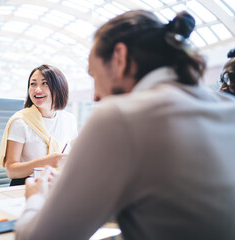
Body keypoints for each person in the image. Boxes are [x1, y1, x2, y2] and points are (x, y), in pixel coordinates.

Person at [15, 10, 235, 240]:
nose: (96, 97)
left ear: (119, 57)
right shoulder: (227, 108)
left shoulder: (121, 117)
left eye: (94, 75)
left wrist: (35, 197)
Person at [0, 64, 78, 186]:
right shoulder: (20, 121)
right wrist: (46, 162)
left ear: (58, 87)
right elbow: (11, 171)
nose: (37, 89)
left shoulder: (69, 120)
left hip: (58, 186)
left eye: (44, 83)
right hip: (27, 187)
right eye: (33, 84)